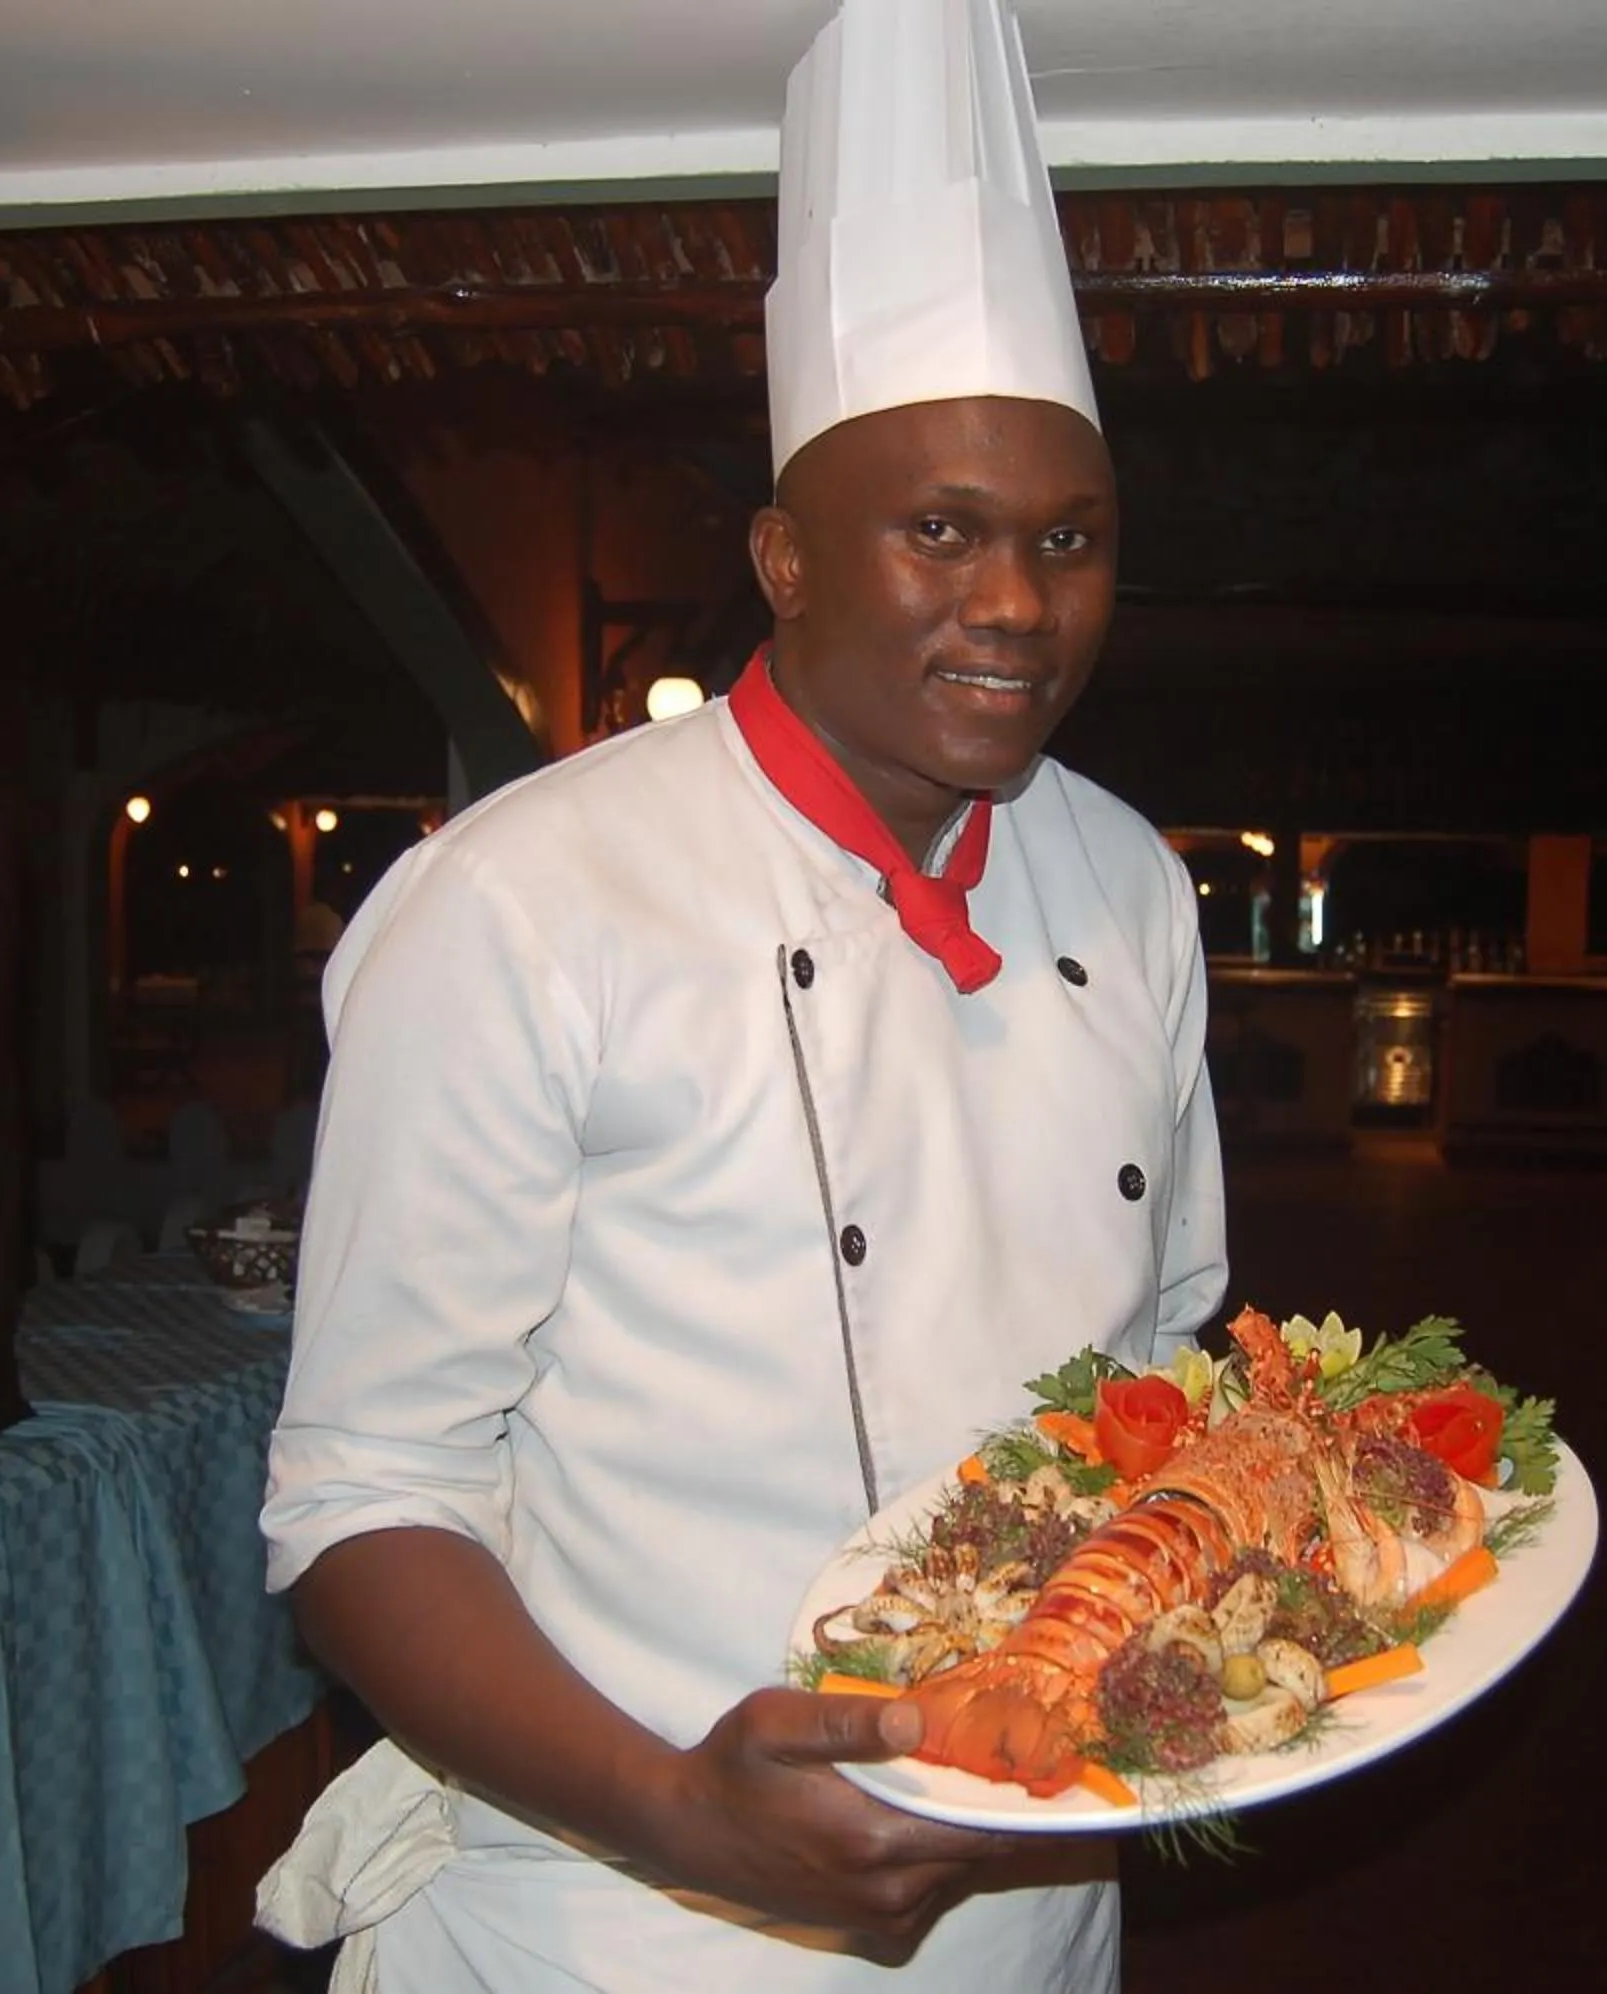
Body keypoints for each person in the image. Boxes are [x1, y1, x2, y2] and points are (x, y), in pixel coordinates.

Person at [256, 2, 1225, 1986]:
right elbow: (366, 1507)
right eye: (938, 529)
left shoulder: (1127, 881)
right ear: (783, 557)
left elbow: (1166, 1362)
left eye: (1070, 540)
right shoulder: (522, 899)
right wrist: (680, 1807)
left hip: (1041, 1902)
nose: (1019, 603)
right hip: (612, 1908)